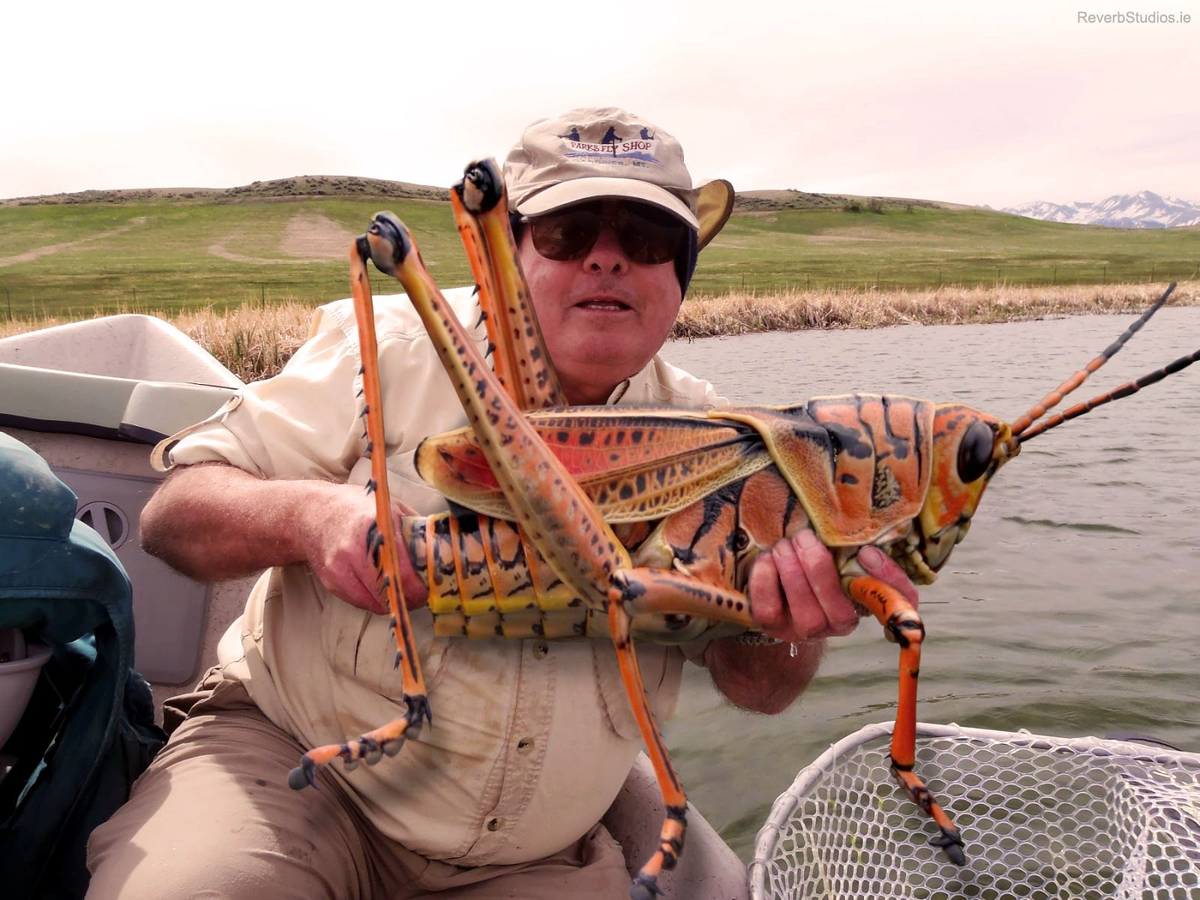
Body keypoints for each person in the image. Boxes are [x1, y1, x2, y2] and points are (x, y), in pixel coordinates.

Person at [85, 108, 918, 899]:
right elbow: (176, 515)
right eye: (567, 233)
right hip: (295, 772)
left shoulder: (727, 440)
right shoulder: (393, 348)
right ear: (511, 254)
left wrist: (785, 626)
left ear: (680, 276)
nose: (606, 260)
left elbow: (762, 689)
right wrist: (312, 518)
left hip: (534, 855)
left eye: (646, 238)